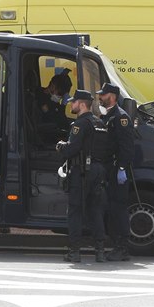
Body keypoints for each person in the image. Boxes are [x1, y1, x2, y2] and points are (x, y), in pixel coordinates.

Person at [56, 90, 113, 263]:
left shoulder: (79, 124)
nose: (71, 105)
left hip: (81, 172)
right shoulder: (100, 123)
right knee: (95, 211)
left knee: (75, 211)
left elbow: (72, 149)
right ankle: (100, 251)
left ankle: (74, 252)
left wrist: (61, 146)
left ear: (81, 104)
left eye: (73, 102)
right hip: (98, 171)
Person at [97, 83, 136, 262]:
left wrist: (121, 168)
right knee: (111, 208)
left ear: (112, 96)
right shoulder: (108, 116)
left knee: (119, 208)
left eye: (103, 95)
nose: (100, 98)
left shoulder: (121, 118)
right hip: (108, 169)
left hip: (117, 170)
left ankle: (122, 247)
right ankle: (115, 244)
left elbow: (126, 147)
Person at [32, 73, 73, 144]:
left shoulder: (53, 101)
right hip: (45, 135)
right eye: (60, 93)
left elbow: (63, 121)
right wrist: (62, 106)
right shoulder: (40, 96)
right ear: (53, 86)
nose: (61, 97)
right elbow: (51, 118)